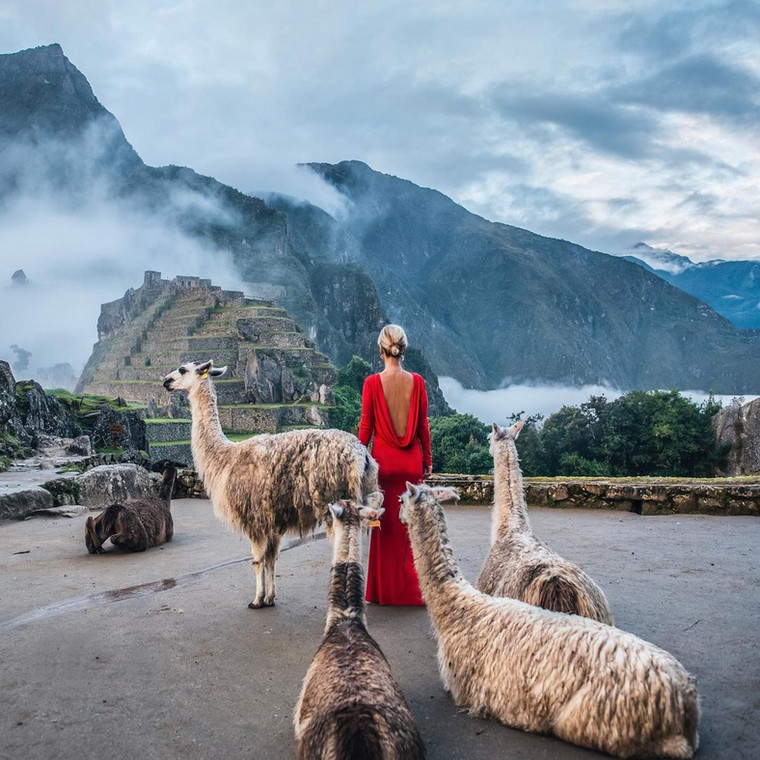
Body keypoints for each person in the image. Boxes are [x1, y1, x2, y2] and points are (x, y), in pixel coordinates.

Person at [359, 324, 432, 605]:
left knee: (384, 528)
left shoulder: (372, 384)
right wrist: (427, 460)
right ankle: (410, 591)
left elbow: (366, 427)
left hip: (384, 467)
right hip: (411, 464)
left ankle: (382, 591)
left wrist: (357, 459)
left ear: (381, 351)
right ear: (404, 349)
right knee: (410, 529)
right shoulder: (417, 382)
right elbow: (423, 426)